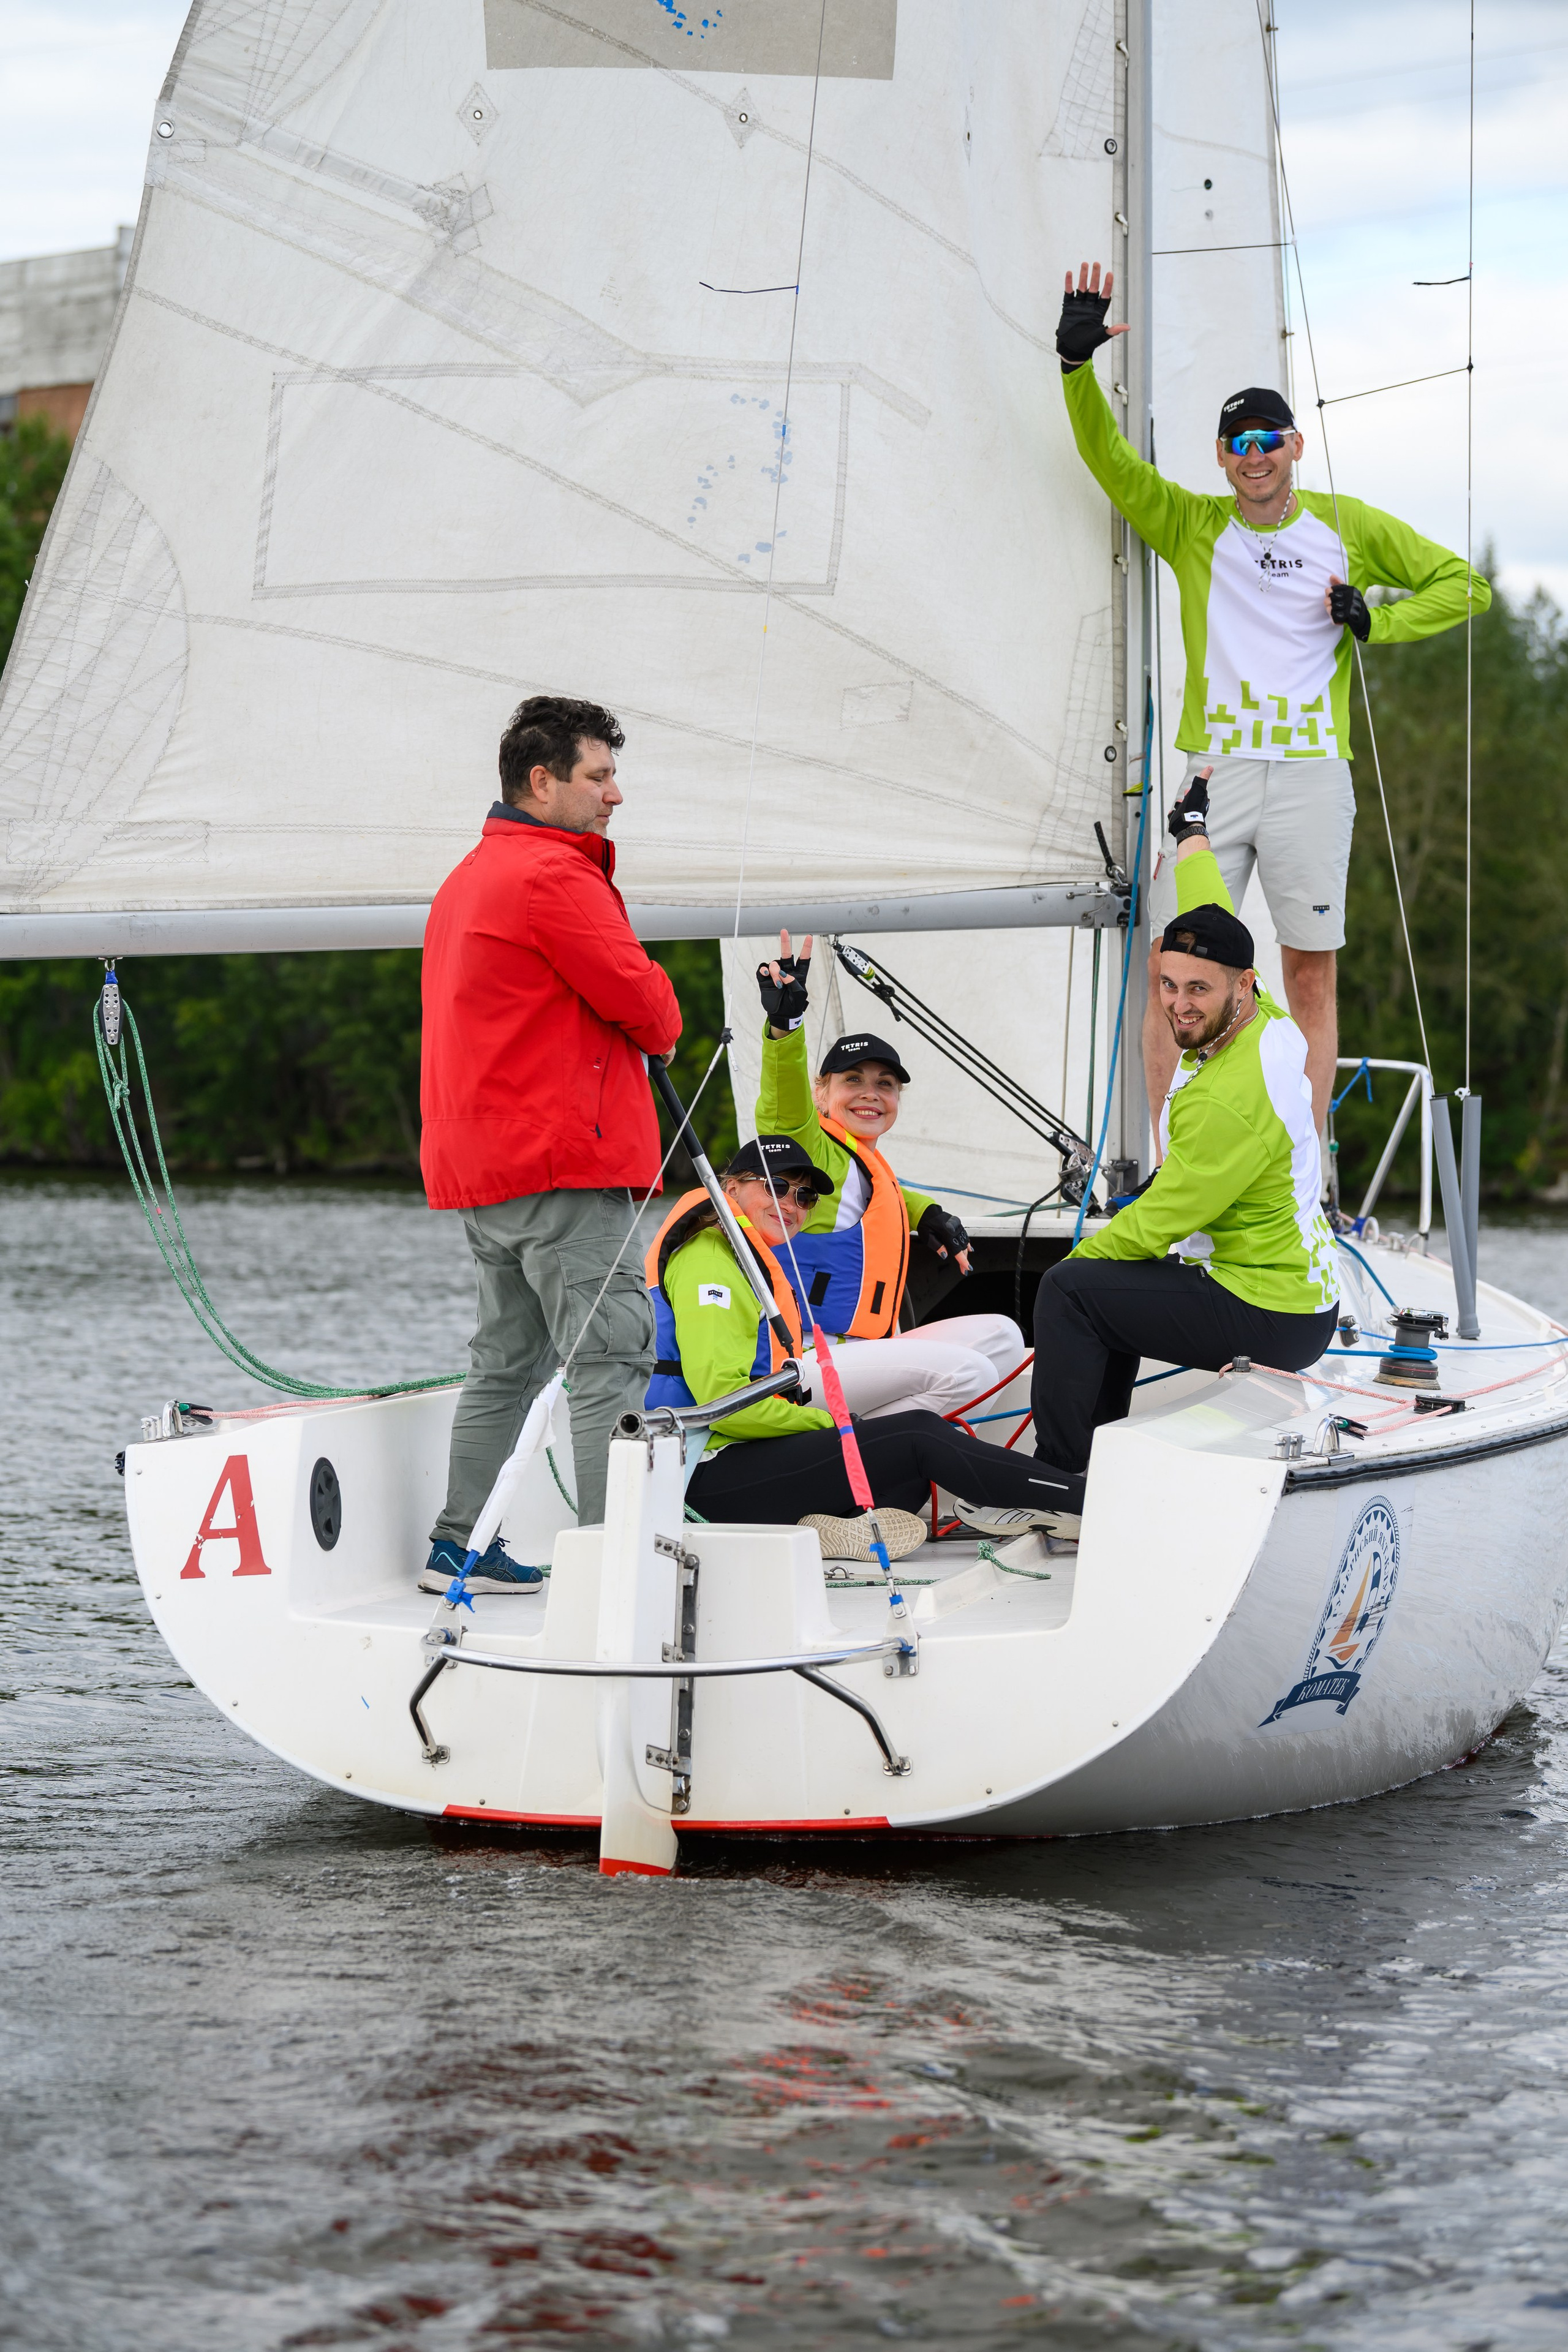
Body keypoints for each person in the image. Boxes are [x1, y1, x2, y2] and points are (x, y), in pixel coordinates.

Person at [1057, 259, 1491, 1133]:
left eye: (1268, 440)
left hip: (1309, 776)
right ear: (1223, 458)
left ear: (1294, 446)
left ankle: (1311, 1162)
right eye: (1238, 444)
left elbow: (1464, 586)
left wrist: (1379, 621)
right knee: (1176, 967)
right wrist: (1074, 368)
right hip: (1210, 781)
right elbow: (1108, 461)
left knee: (1310, 972)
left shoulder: (1348, 526)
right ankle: (1170, 1157)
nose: (1254, 457)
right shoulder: (1191, 523)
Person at [417, 694, 682, 1594]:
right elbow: (651, 1012)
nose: (615, 797)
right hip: (563, 1169)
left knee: (507, 1364)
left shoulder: (467, 878)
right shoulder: (553, 879)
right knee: (610, 1361)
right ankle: (616, 1573)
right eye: (599, 777)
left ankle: (460, 1543)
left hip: (486, 1175)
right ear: (543, 782)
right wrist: (656, 991)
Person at [1030, 775, 1341, 1485]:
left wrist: (1085, 1260)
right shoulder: (1263, 1016)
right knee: (1105, 1284)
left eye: (1196, 989)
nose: (1178, 1004)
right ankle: (1095, 1461)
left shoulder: (1226, 1101)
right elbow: (1211, 907)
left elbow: (1162, 1219)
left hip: (1272, 1313)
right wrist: (1190, 832)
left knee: (1069, 1290)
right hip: (1294, 1293)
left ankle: (1058, 1483)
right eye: (1168, 985)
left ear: (1239, 983)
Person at [646, 1134, 1085, 1553]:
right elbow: (725, 1400)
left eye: (804, 1197)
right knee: (917, 1434)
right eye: (776, 1186)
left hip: (735, 1458)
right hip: (700, 1477)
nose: (790, 1204)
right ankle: (1083, 1501)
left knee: (905, 1479)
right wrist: (838, 1426)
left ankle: (815, 1531)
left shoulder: (737, 1251)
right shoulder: (709, 1262)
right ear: (732, 1188)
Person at [749, 932, 1025, 1419]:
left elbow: (877, 1196)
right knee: (971, 1374)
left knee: (1004, 1337)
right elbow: (781, 1116)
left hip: (865, 1352)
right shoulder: (809, 1152)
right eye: (852, 1080)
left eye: (885, 1084)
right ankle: (874, 1450)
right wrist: (785, 1027)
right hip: (805, 1361)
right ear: (821, 1093)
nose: (870, 1093)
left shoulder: (865, 1163)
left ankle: (897, 1452)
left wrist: (929, 1211)